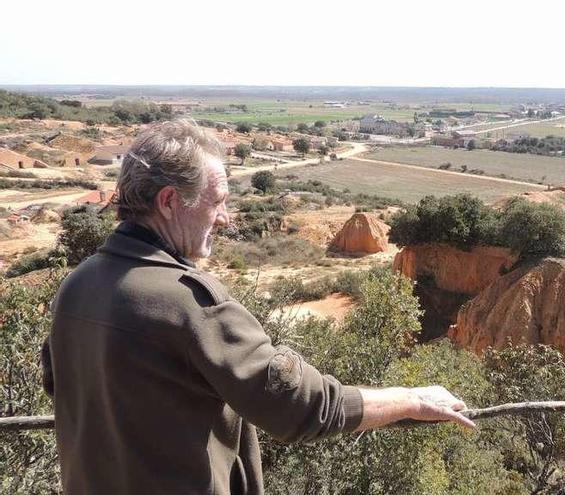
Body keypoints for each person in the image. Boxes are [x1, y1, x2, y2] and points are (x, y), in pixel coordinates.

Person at [42, 119, 474, 495]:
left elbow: (65, 386)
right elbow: (301, 407)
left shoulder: (78, 284)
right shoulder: (189, 302)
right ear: (170, 201)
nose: (226, 217)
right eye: (217, 201)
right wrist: (414, 399)